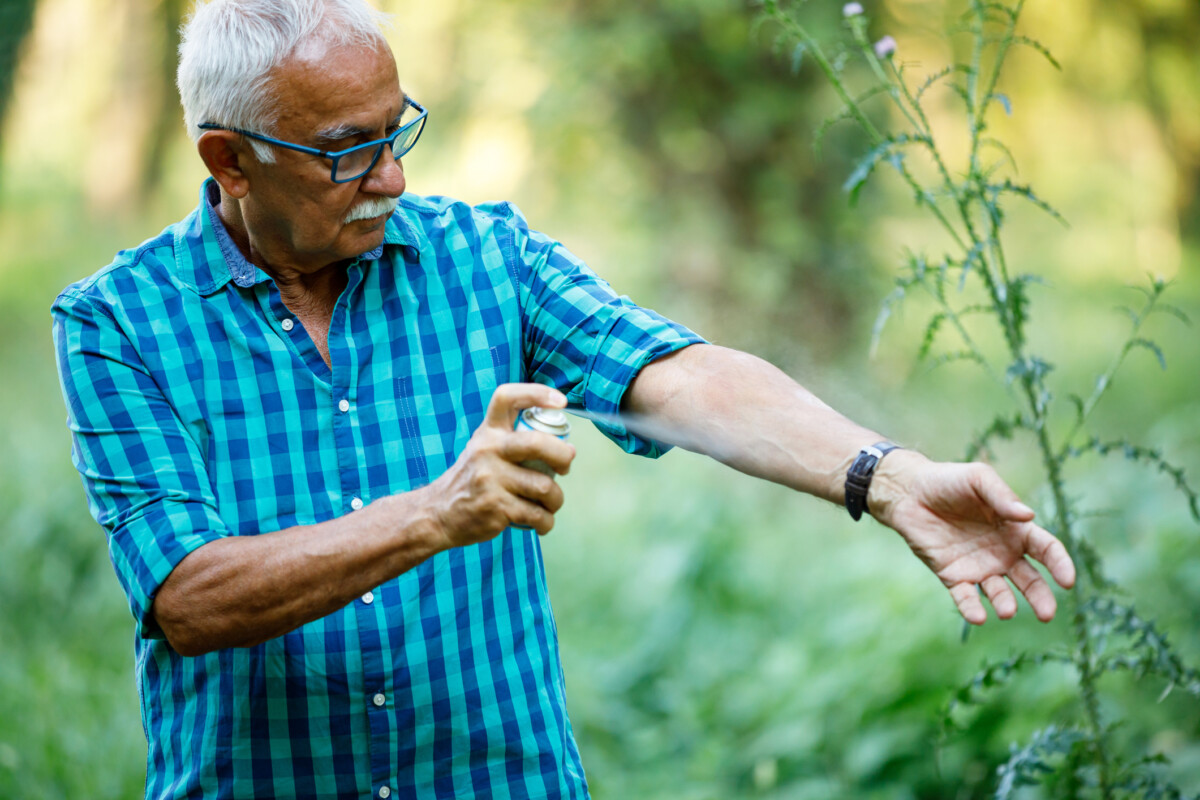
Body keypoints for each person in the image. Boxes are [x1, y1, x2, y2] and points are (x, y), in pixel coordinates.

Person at [51, 0, 1076, 798]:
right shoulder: (118, 322)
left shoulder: (484, 255)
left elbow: (679, 373)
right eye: (345, 151)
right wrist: (434, 513)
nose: (392, 176)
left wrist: (882, 475)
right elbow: (188, 597)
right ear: (230, 159)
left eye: (396, 130)